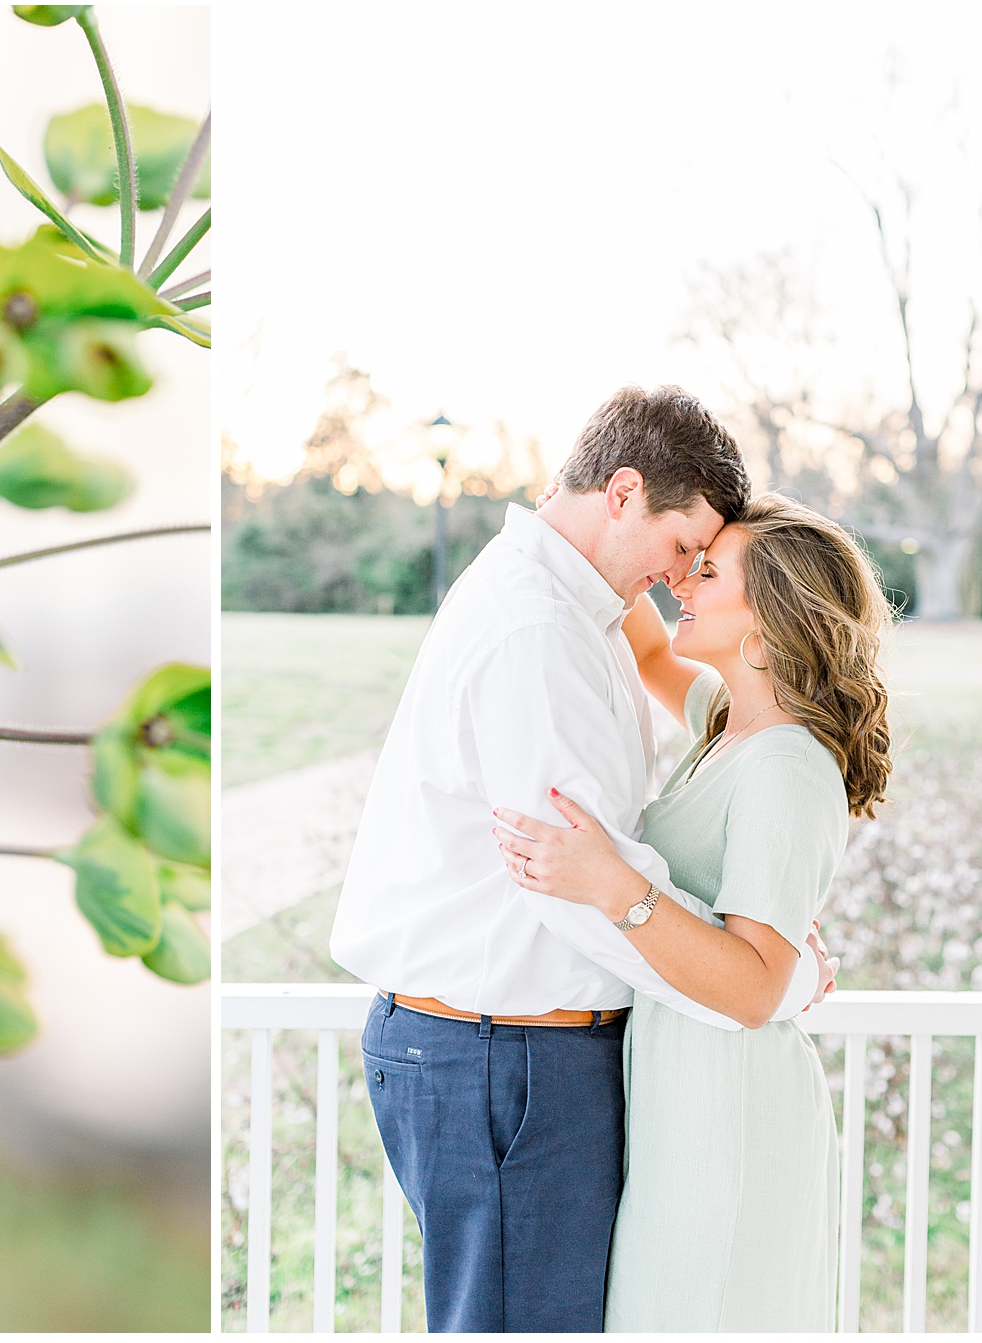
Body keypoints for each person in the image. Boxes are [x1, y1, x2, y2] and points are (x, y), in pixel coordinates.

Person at [329, 386, 833, 1333]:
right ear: (624, 492)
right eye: (683, 547)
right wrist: (772, 979)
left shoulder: (579, 609)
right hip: (505, 1057)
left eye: (705, 565)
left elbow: (659, 681)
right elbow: (575, 888)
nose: (680, 577)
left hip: (522, 1055)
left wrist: (757, 968)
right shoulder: (538, 629)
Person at [494, 492, 891, 1330]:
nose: (681, 582)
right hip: (678, 1107)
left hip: (729, 1123)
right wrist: (579, 507)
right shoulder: (726, 722)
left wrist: (614, 885)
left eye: (708, 572)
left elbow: (755, 987)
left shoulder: (786, 766)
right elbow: (643, 643)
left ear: (769, 622)